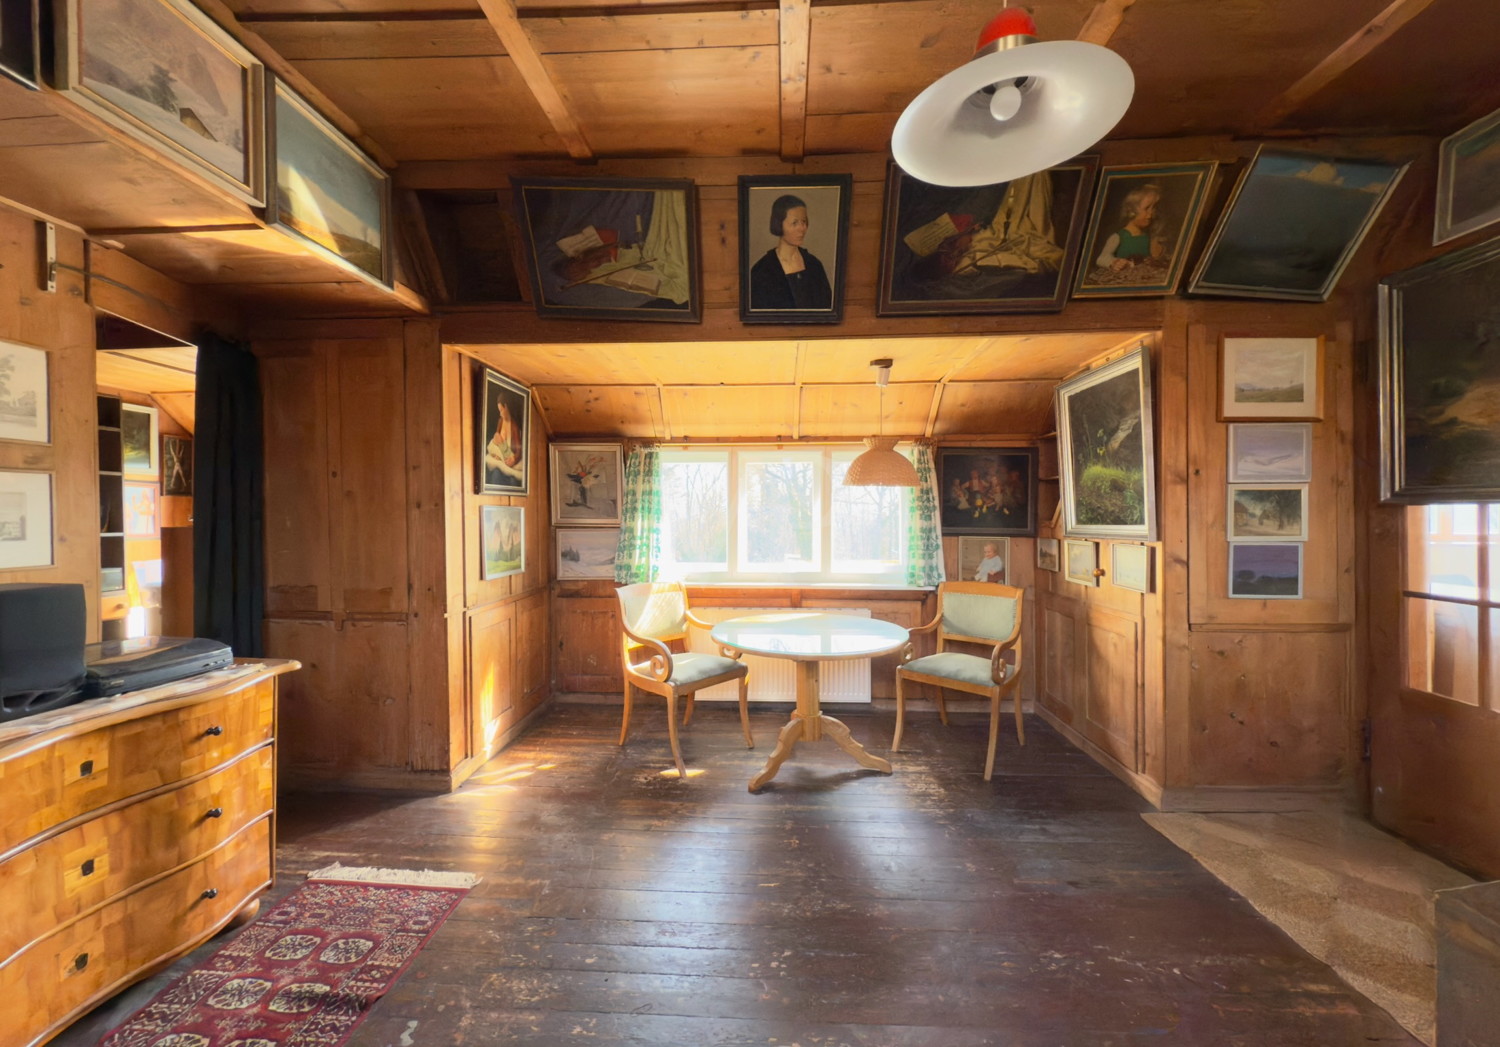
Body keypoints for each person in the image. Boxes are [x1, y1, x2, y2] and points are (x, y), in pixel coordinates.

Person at [749, 194, 832, 311]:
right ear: (779, 224)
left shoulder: (814, 265)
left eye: (804, 221)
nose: (802, 228)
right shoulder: (761, 271)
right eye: (795, 223)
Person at [1094, 184, 1166, 272]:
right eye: (1147, 208)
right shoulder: (1118, 237)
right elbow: (1102, 258)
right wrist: (1114, 262)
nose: (1151, 213)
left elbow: (1154, 259)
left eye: (1153, 208)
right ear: (1131, 211)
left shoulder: (1149, 237)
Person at [485, 397, 524, 483]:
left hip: (509, 461)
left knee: (513, 480)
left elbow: (519, 451)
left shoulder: (514, 427)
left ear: (506, 407)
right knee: (496, 474)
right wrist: (495, 454)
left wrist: (514, 458)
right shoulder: (500, 421)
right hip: (500, 460)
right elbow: (496, 441)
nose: (500, 414)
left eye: (501, 410)